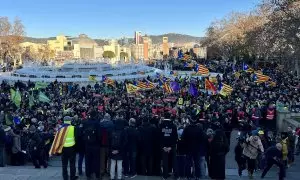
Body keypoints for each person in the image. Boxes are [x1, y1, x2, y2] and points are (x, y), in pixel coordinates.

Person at [83, 111, 101, 180]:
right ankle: (97, 174)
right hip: (95, 144)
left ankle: (88, 174)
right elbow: (99, 135)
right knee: (96, 160)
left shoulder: (85, 122)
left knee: (88, 160)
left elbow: (83, 133)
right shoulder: (97, 123)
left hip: (87, 144)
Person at [58, 116, 78, 180]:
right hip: (72, 148)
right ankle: (72, 177)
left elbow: (58, 140)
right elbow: (76, 138)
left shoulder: (60, 128)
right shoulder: (73, 128)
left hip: (63, 149)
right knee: (72, 164)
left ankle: (65, 177)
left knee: (64, 164)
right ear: (70, 121)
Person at [159, 113, 178, 180]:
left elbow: (159, 137)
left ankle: (165, 176)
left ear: (164, 117)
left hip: (164, 146)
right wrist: (171, 147)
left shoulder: (161, 125)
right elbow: (175, 137)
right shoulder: (173, 125)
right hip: (172, 146)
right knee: (174, 161)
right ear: (170, 117)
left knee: (165, 161)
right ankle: (176, 176)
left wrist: (164, 147)